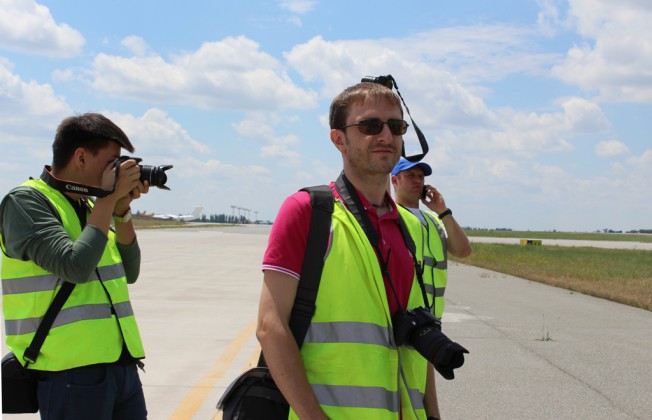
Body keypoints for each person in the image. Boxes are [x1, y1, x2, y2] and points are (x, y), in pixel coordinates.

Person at [256, 82, 441, 419]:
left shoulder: (412, 227)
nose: (386, 135)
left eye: (396, 126)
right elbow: (271, 327)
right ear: (338, 139)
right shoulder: (307, 212)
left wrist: (433, 414)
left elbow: (416, 327)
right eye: (370, 126)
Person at [1, 113, 149, 419]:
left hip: (121, 366)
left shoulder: (93, 207)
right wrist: (109, 201)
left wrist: (121, 212)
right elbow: (75, 267)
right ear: (81, 157)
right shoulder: (26, 203)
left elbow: (130, 273)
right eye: (112, 162)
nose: (119, 171)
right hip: (69, 373)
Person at [391, 157, 472, 419]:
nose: (417, 181)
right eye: (410, 175)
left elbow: (463, 250)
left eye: (421, 177)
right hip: (404, 317)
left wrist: (442, 211)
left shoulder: (433, 221)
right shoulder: (392, 217)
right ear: (394, 180)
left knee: (423, 381)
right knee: (402, 388)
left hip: (430, 317)